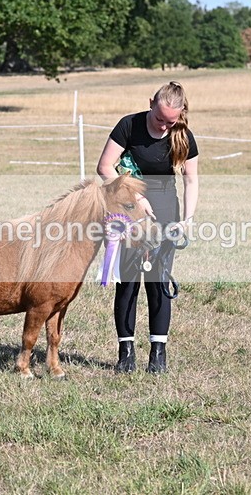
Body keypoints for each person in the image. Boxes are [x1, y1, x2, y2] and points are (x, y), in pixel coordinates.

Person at [96, 81, 199, 374]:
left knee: (158, 281)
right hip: (129, 209)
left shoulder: (183, 135)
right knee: (128, 281)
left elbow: (191, 180)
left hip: (167, 209)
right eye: (160, 119)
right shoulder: (128, 125)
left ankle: (158, 353)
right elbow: (105, 167)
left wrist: (187, 220)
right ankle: (125, 352)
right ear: (151, 102)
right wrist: (135, 197)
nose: (165, 126)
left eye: (171, 121)